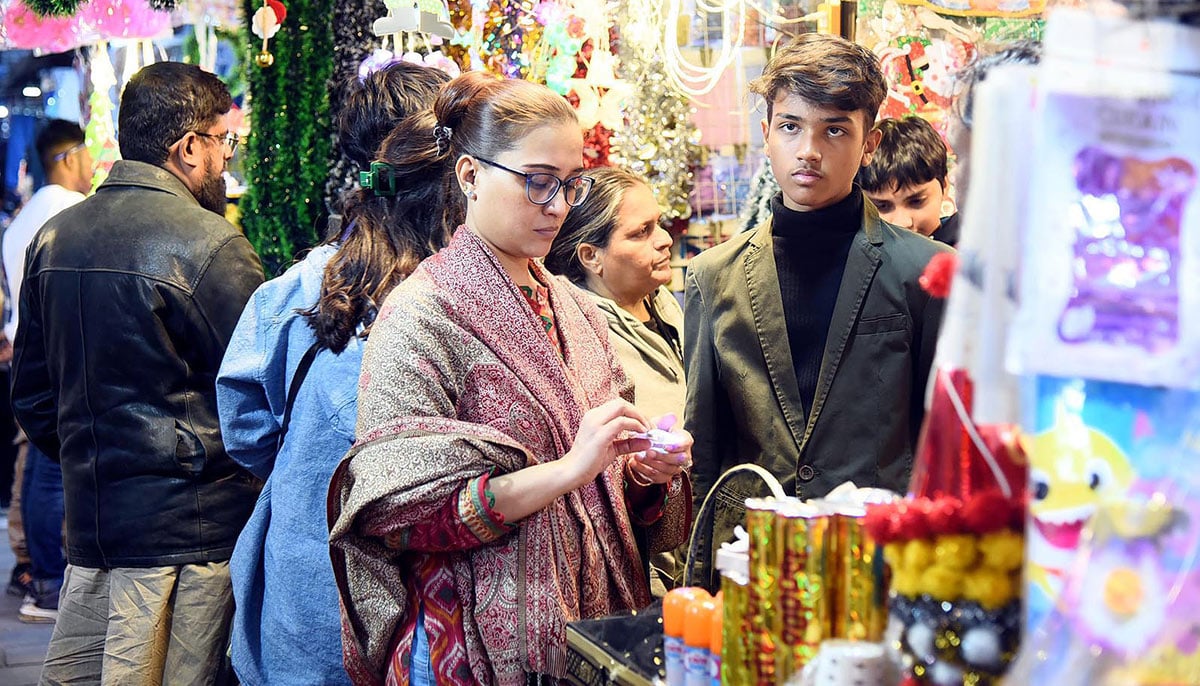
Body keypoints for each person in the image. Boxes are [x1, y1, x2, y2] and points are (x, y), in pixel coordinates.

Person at [327, 72, 693, 686]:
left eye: (570, 185)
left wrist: (642, 473)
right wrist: (570, 469)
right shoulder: (421, 312)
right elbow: (399, 510)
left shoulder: (573, 308)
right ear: (470, 176)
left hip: (592, 623)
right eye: (537, 182)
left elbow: (608, 486)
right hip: (468, 643)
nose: (557, 206)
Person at [10, 62, 264, 683]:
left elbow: (36, 400)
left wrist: (97, 457)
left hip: (95, 534)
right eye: (224, 142)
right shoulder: (210, 244)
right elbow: (263, 400)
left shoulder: (55, 238)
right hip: (192, 544)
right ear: (189, 148)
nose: (226, 160)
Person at [216, 62, 455, 686]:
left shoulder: (295, 288)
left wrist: (313, 462)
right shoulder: (468, 293)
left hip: (308, 573)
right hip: (431, 603)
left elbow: (244, 428)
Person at [683, 34, 951, 589]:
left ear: (868, 142)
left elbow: (942, 437)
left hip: (881, 559)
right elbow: (706, 447)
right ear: (766, 133)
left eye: (834, 129)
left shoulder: (925, 272)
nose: (809, 150)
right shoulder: (714, 275)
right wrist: (703, 579)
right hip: (754, 560)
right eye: (790, 126)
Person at [544, 166, 687, 596]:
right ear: (591, 257)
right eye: (641, 232)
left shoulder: (666, 306)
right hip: (652, 571)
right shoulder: (582, 340)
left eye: (658, 224)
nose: (664, 239)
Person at [1, 119, 95, 622]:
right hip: (61, 353)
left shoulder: (23, 218)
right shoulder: (69, 211)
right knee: (53, 471)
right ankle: (52, 584)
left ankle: (41, 578)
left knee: (38, 466)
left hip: (29, 355)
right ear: (67, 156)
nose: (91, 165)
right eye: (86, 153)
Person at [857, 115, 960, 246]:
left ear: (944, 186)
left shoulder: (972, 250)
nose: (903, 223)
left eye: (917, 202)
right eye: (882, 206)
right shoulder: (851, 255)